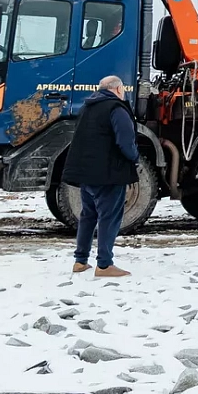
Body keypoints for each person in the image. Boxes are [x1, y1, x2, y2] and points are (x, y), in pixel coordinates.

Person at [61, 76, 139, 277]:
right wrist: (134, 157)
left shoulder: (88, 107)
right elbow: (125, 141)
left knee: (88, 215)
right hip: (109, 173)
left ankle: (80, 261)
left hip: (86, 172)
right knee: (109, 217)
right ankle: (104, 265)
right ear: (118, 89)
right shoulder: (116, 109)